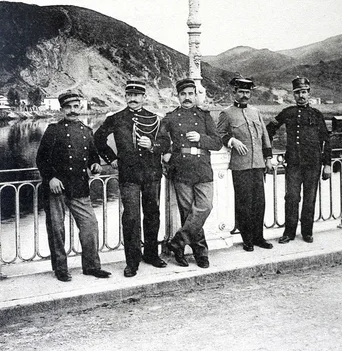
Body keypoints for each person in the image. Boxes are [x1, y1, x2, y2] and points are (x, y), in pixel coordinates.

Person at [94, 79, 167, 278]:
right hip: (130, 176)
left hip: (152, 174)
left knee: (152, 214)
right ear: (125, 96)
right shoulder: (116, 118)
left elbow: (166, 143)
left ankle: (151, 254)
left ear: (144, 97)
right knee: (131, 217)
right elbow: (97, 139)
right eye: (129, 95)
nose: (133, 98)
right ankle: (132, 261)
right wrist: (112, 158)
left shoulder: (155, 118)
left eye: (137, 95)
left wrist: (152, 144)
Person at [36, 90, 111, 282]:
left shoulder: (87, 131)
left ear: (80, 107)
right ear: (62, 109)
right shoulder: (53, 130)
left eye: (76, 107)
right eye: (68, 107)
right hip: (57, 189)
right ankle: (60, 269)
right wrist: (51, 178)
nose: (73, 110)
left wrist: (95, 165)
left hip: (79, 187)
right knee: (57, 229)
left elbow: (93, 156)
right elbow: (41, 159)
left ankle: (92, 266)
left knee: (90, 225)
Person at [159, 78, 222, 268]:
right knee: (189, 215)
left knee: (205, 207)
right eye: (183, 94)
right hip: (181, 169)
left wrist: (201, 138)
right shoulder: (170, 118)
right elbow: (161, 140)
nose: (187, 98)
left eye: (190, 94)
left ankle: (177, 243)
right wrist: (167, 151)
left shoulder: (204, 116)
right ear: (178, 96)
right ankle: (201, 253)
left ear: (195, 95)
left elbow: (217, 143)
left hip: (202, 168)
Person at [266, 76, 332, 244]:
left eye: (304, 92)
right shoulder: (287, 113)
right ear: (293, 95)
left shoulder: (317, 115)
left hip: (313, 164)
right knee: (292, 197)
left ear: (309, 93)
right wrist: (268, 150)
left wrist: (327, 164)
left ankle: (307, 232)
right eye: (297, 93)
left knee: (310, 199)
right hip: (294, 164)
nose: (301, 96)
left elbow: (326, 140)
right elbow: (269, 130)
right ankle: (289, 233)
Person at [217, 77, 273, 251]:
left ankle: (259, 237)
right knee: (244, 203)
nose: (244, 95)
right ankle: (247, 239)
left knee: (259, 202)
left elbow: (264, 136)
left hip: (257, 164)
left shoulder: (255, 112)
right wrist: (232, 140)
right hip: (240, 165)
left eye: (247, 92)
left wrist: (268, 158)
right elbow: (218, 134)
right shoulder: (226, 113)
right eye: (241, 92)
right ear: (234, 92)